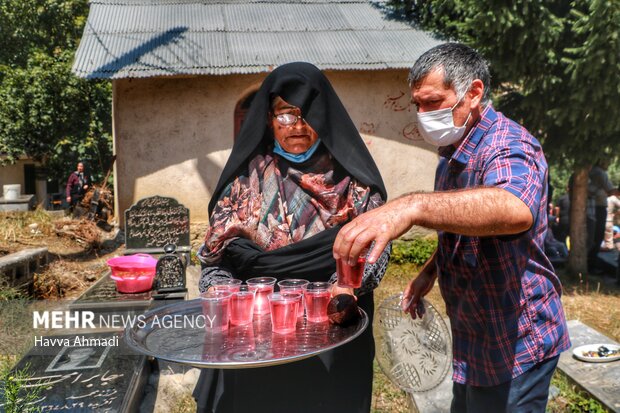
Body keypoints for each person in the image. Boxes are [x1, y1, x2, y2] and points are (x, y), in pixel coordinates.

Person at [333, 43, 571, 413]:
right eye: (417, 105)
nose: (422, 114)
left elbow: (513, 207)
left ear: (473, 93)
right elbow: (464, 223)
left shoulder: (509, 144)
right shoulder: (454, 152)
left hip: (517, 342)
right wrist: (431, 270)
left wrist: (412, 206)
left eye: (432, 102)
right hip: (473, 335)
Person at [193, 62, 390, 413]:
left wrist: (342, 290)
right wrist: (223, 295)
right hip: (255, 335)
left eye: (307, 115)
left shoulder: (351, 180)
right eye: (285, 115)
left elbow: (377, 246)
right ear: (269, 119)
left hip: (330, 331)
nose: (297, 127)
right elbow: (215, 258)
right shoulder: (245, 179)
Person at [587, 159, 619, 270]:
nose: (608, 164)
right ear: (601, 161)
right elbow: (611, 190)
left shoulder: (592, 171)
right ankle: (592, 264)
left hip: (593, 207)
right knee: (597, 236)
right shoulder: (600, 172)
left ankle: (590, 262)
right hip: (598, 208)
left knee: (593, 236)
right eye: (607, 161)